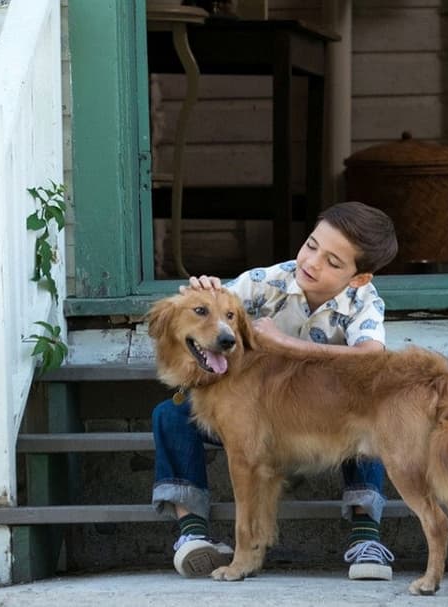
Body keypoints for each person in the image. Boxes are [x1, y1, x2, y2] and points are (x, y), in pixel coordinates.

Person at [151, 201, 401, 581]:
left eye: (333, 262)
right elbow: (212, 312)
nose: (313, 263)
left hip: (321, 421)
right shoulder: (263, 282)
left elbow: (370, 359)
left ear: (358, 278)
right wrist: (202, 295)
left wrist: (287, 345)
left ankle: (366, 535)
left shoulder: (364, 302)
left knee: (369, 409)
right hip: (250, 414)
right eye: (312, 245)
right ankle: (193, 535)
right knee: (169, 414)